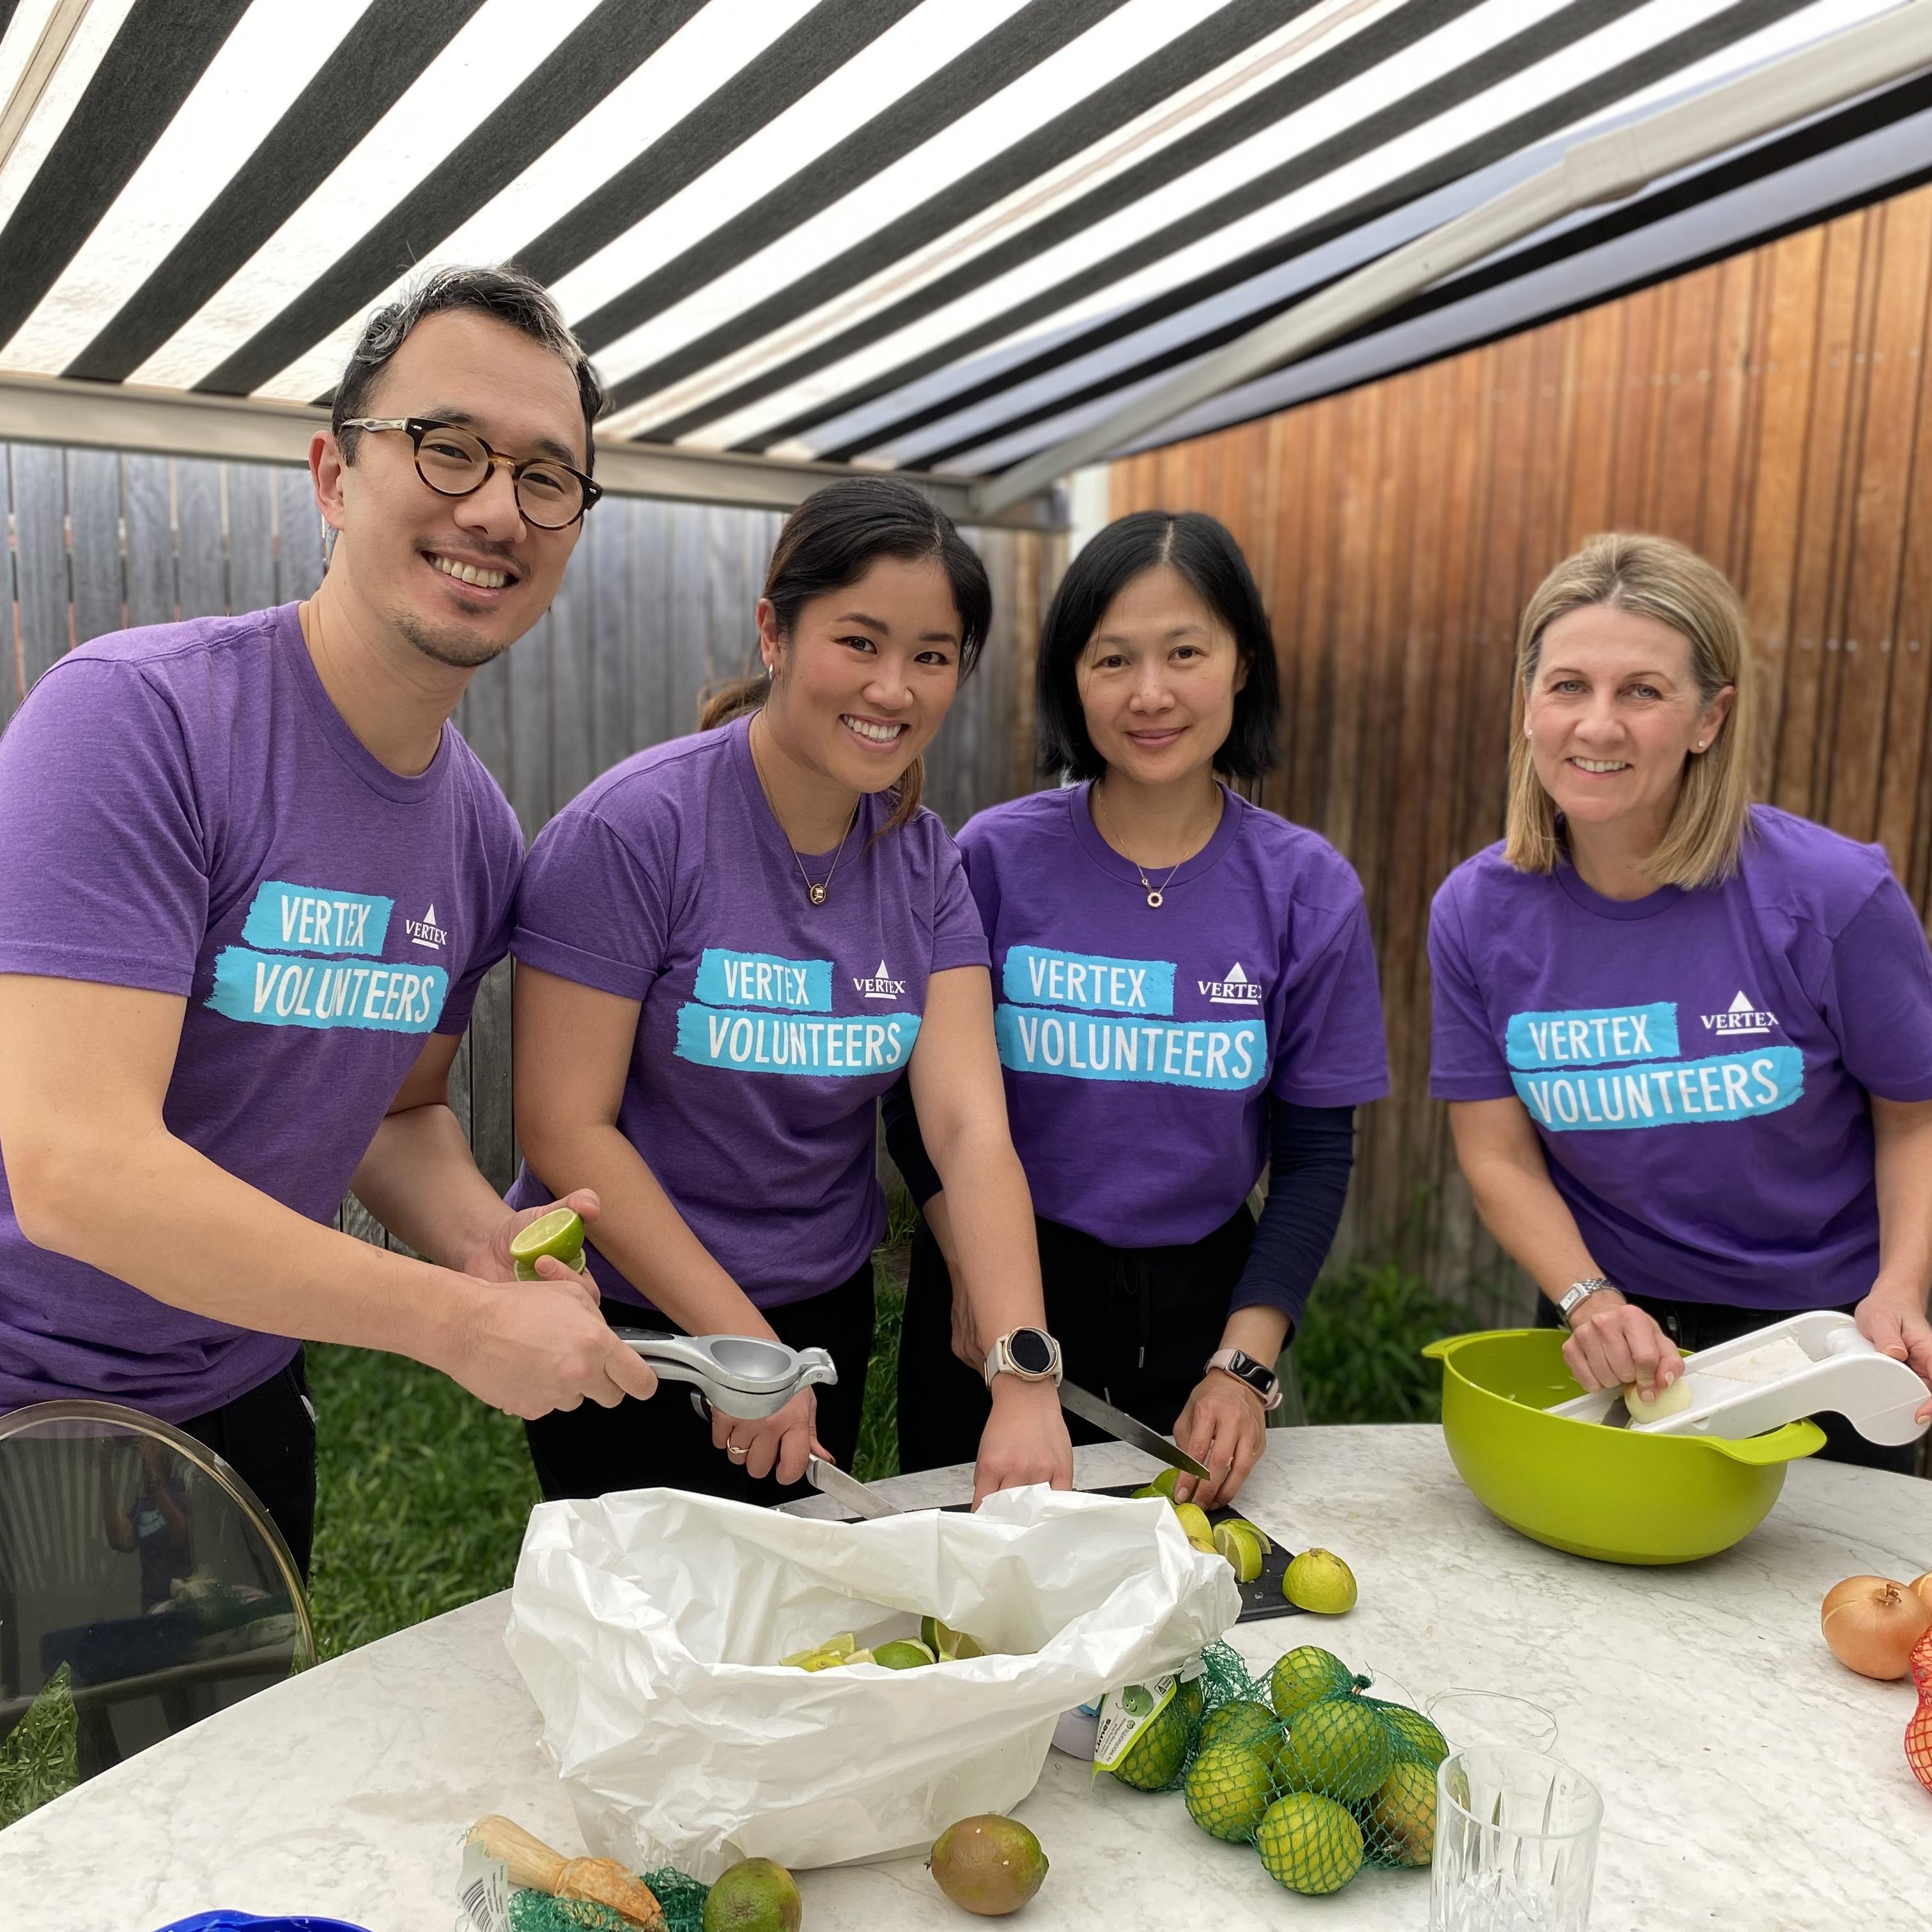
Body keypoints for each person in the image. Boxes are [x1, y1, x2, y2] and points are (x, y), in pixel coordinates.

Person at [0, 267, 658, 1575]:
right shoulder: (139, 721)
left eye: (546, 478)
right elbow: (75, 1169)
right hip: (16, 1375)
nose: (495, 507)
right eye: (449, 447)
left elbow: (402, 1111)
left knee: (208, 1769)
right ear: (334, 474)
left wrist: (487, 1249)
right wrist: (450, 1327)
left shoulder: (475, 833)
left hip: (232, 1382)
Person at [508, 477, 1074, 1508]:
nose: (894, 688)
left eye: (931, 656)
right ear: (774, 633)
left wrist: (1024, 1369)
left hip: (822, 1309)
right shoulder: (631, 832)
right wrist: (738, 1350)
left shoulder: (924, 864)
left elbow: (966, 1128)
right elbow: (563, 1123)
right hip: (631, 1318)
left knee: (797, 1618)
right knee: (646, 1638)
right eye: (858, 642)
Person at [885, 511, 1389, 1508]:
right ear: (1072, 677)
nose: (1150, 694)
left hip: (1202, 1311)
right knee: (973, 1612)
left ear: (1242, 662)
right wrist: (972, 1275)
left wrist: (1243, 1367)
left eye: (1185, 652)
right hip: (998, 1280)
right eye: (1113, 658)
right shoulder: (990, 860)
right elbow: (916, 1106)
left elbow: (1317, 1155)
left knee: (1185, 1621)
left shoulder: (1306, 889)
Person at [1430, 532, 1932, 1469]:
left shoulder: (1834, 898)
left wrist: (1900, 1292)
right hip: (1611, 1341)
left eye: (1644, 692)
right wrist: (1590, 1301)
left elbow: (1914, 1117)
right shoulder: (1477, 910)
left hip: (1821, 1347)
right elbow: (1496, 1153)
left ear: (1710, 718)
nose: (1598, 725)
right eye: (1569, 685)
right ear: (1529, 704)